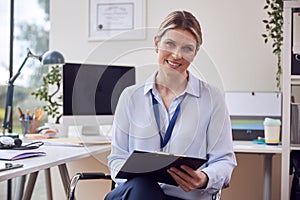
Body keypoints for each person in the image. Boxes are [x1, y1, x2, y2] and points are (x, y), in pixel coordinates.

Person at [105, 10, 237, 200]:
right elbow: (117, 158)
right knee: (143, 187)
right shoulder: (130, 97)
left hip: (184, 197)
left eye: (187, 48)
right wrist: (133, 175)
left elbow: (224, 160)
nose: (176, 55)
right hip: (136, 194)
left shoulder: (212, 98)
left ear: (195, 53)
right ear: (156, 43)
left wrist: (204, 177)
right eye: (170, 44)